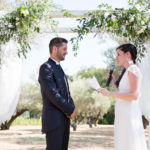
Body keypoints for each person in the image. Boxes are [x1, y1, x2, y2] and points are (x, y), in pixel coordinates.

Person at [99, 44, 148, 150]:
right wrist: (113, 84)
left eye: (118, 54)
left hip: (129, 115)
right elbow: (123, 94)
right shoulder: (127, 71)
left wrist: (110, 94)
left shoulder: (133, 69)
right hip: (123, 114)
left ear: (128, 54)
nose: (116, 58)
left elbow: (134, 95)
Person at [38, 37, 77, 150]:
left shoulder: (59, 68)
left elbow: (67, 93)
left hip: (64, 120)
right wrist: (70, 109)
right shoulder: (46, 67)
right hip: (54, 120)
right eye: (64, 49)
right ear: (55, 49)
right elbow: (52, 93)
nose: (67, 52)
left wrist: (72, 108)